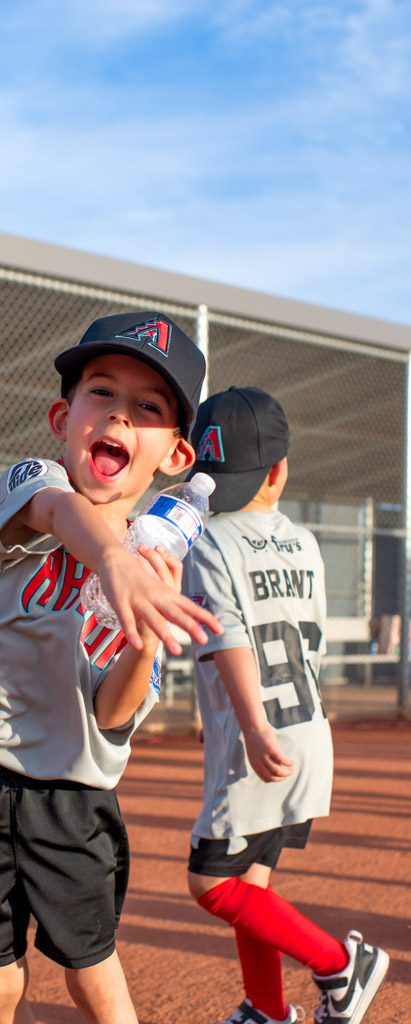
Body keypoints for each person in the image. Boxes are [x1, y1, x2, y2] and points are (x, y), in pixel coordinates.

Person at [0, 311, 224, 1024]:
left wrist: (146, 639)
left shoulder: (154, 566)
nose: (119, 414)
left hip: (73, 796)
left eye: (148, 407)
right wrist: (111, 558)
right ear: (63, 417)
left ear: (176, 454)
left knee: (93, 971)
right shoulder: (31, 484)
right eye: (101, 392)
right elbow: (59, 513)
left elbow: (113, 712)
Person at [181, 386, 389, 1024]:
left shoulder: (209, 539)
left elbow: (229, 637)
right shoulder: (305, 542)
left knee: (211, 883)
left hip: (259, 737)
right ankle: (266, 1011)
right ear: (280, 470)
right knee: (252, 883)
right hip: (305, 728)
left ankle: (341, 965)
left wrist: (246, 722)